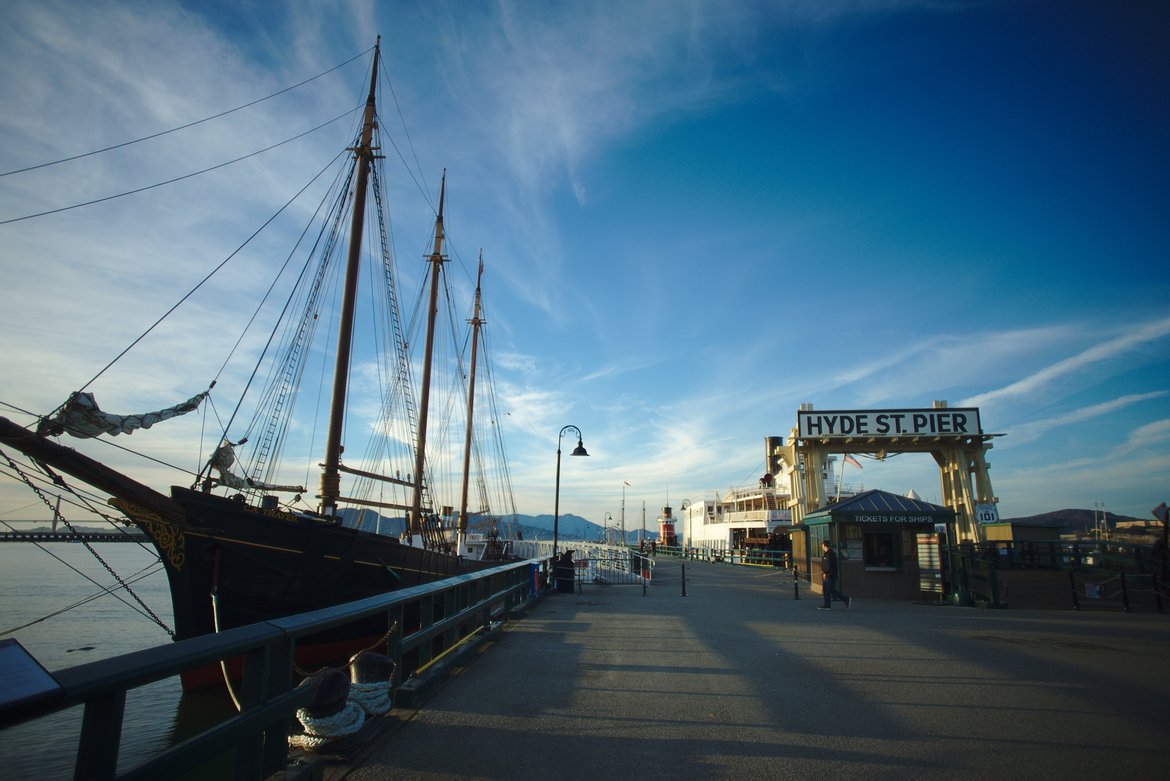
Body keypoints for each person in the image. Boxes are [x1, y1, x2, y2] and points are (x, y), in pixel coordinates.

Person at [818, 539, 852, 610]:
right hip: (827, 575)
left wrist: (825, 572)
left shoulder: (830, 554)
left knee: (831, 590)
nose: (822, 547)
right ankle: (827, 605)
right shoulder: (827, 553)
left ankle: (846, 599)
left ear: (825, 546)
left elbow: (829, 565)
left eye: (822, 546)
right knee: (826, 590)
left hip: (830, 575)